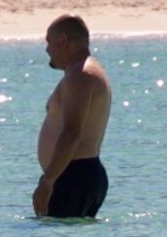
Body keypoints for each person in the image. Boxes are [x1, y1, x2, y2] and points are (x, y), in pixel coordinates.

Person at [32, 13, 111, 219]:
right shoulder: (83, 72)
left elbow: (71, 132)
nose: (47, 50)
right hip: (77, 175)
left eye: (48, 43)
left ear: (63, 41)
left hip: (73, 176)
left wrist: (48, 182)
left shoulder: (80, 76)